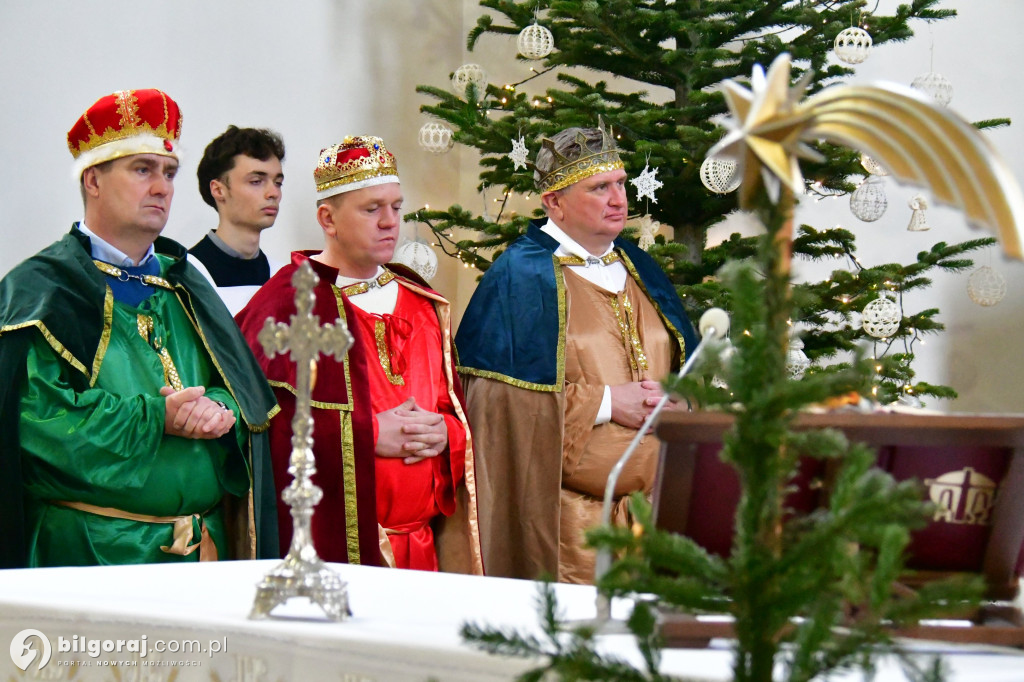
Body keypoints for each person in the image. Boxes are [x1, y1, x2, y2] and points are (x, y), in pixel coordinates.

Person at [0, 89, 279, 568]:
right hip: (93, 555)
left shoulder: (185, 282)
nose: (162, 187)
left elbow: (240, 389)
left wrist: (220, 408)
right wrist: (158, 418)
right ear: (93, 180)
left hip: (204, 552)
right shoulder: (41, 289)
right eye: (142, 170)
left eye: (168, 173)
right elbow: (38, 425)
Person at [455, 123, 698, 584]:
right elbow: (495, 406)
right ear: (554, 202)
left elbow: (685, 362)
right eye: (599, 187)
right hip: (574, 533)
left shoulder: (637, 265)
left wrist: (679, 400)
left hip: (658, 517)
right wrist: (608, 403)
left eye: (622, 184)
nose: (618, 198)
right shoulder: (520, 278)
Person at [236, 136, 482, 573]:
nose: (391, 222)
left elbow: (452, 411)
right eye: (372, 209)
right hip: (342, 552)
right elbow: (262, 433)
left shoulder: (424, 304)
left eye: (396, 207)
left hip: (425, 549)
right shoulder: (288, 304)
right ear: (327, 219)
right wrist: (364, 435)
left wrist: (446, 434)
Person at [189, 125, 286, 315]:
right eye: (256, 181)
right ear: (218, 190)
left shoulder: (283, 278)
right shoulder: (187, 276)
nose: (273, 193)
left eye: (278, 182)